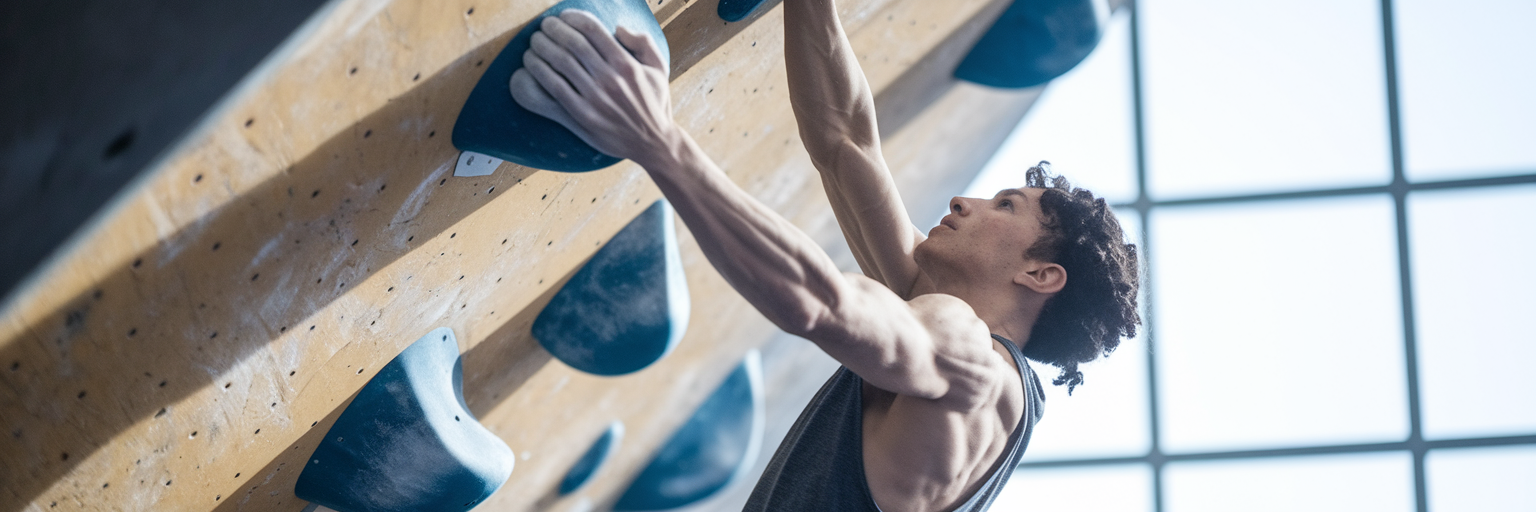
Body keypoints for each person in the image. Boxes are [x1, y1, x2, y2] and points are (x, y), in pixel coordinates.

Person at [508, 1, 1140, 510]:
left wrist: (654, 137)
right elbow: (846, 145)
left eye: (1005, 206)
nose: (966, 200)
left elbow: (823, 305)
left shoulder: (975, 364)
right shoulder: (942, 325)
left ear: (1039, 274)